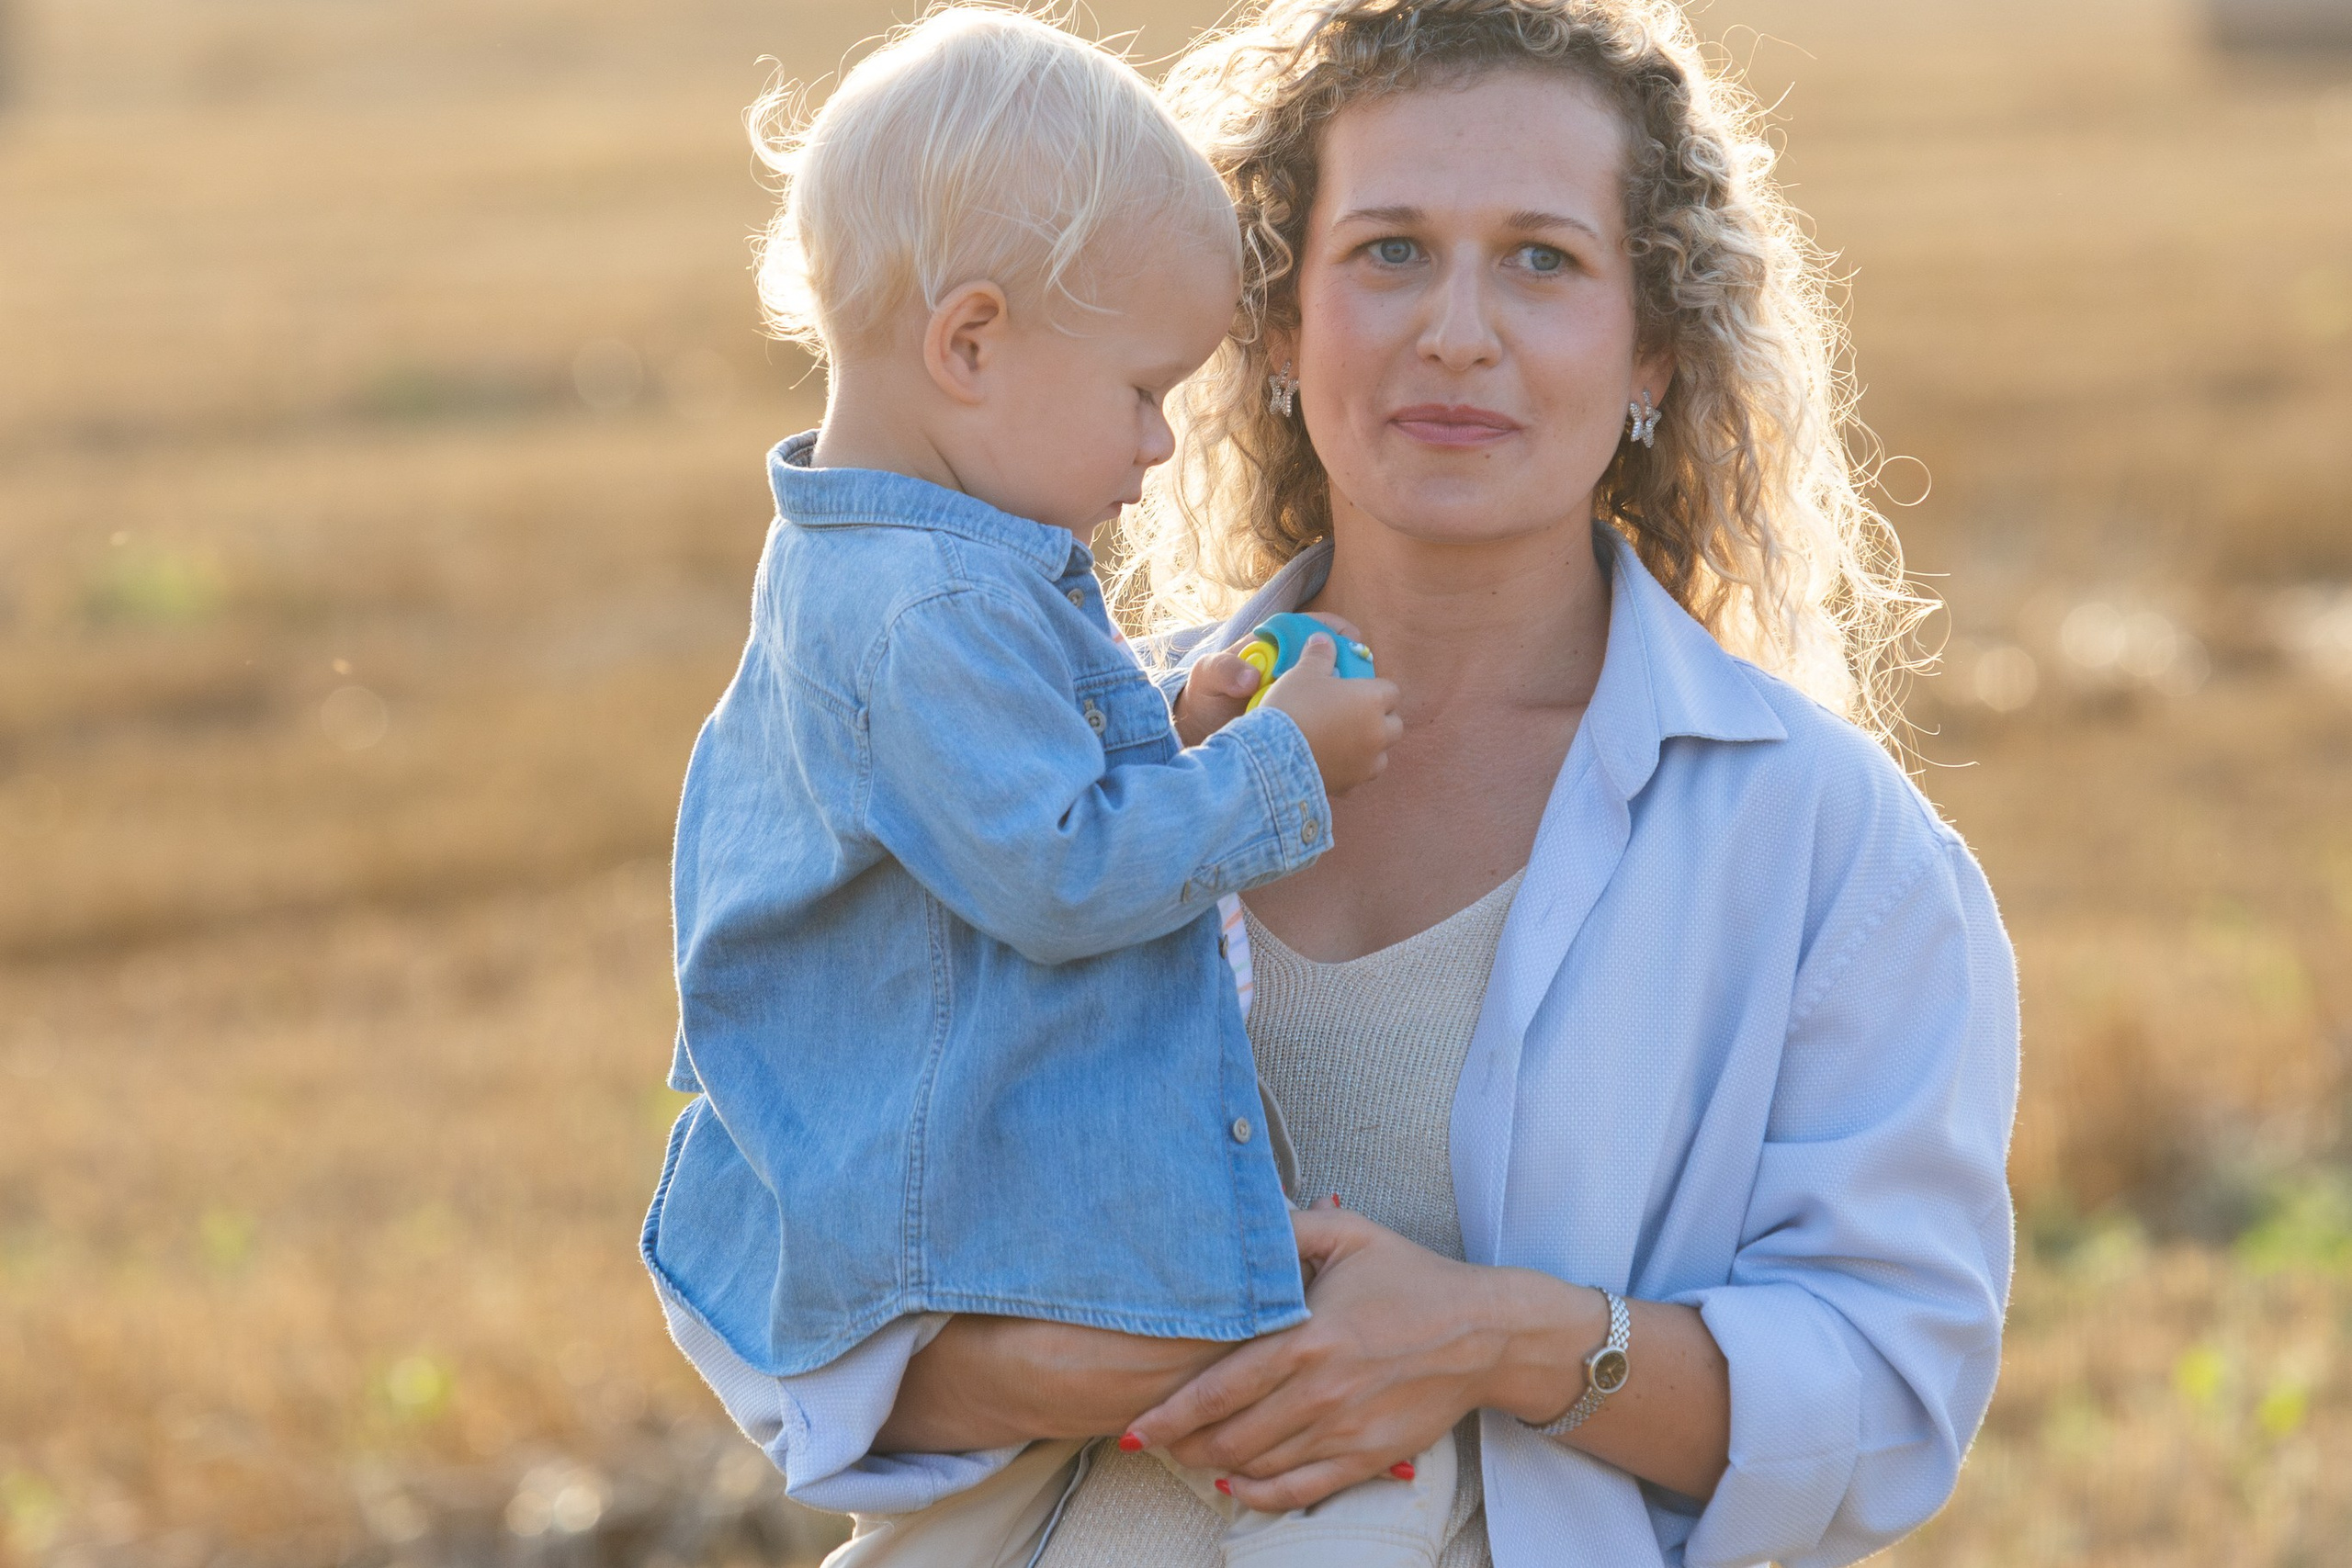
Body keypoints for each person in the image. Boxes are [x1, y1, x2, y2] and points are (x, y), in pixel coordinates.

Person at [703, 3, 2024, 1567]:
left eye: (1543, 259)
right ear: (1275, 331)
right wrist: (1006, 1373)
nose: (1456, 330)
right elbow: (751, 1188)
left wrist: (1499, 1343)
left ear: (1651, 345)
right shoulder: (1041, 730)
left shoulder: (1825, 847)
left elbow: (1890, 1398)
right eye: (1388, 251)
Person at [639, 8, 1476, 1565]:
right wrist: (1279, 766)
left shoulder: (904, 564)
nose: (1163, 447)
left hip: (929, 1143)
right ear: (971, 346)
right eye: (1144, 390)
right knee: (1294, 1359)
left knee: (1282, 1337)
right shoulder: (929, 608)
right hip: (946, 1194)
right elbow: (1060, 873)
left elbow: (990, 786)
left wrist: (1173, 716)